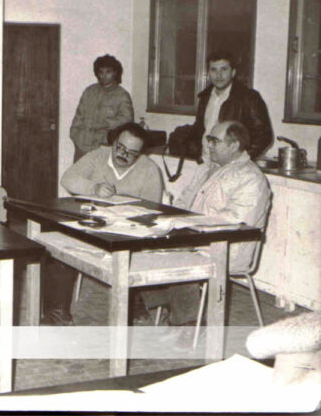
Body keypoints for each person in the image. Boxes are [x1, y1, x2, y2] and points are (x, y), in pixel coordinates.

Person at [141, 121, 272, 346]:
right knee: (143, 245)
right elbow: (184, 201)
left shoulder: (251, 178)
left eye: (215, 141)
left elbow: (233, 223)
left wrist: (186, 231)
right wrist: (167, 217)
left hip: (227, 246)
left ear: (234, 146)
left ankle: (187, 325)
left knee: (175, 256)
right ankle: (176, 307)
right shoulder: (208, 168)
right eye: (209, 139)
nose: (208, 145)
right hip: (196, 236)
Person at [43, 122, 163, 325]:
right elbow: (68, 178)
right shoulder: (97, 156)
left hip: (125, 231)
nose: (123, 154)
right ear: (114, 142)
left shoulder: (149, 169)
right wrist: (94, 187)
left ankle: (135, 301)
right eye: (120, 147)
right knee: (59, 247)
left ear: (141, 153)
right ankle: (57, 311)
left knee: (141, 251)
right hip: (92, 225)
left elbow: (152, 210)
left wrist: (125, 218)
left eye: (131, 153)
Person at [188, 51, 273, 160]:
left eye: (224, 69)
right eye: (214, 70)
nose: (218, 75)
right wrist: (197, 154)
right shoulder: (205, 97)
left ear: (233, 72)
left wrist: (239, 160)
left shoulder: (249, 97)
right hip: (206, 162)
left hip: (232, 167)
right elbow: (199, 129)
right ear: (208, 73)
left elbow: (264, 136)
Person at [69, 54, 133, 162]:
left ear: (115, 73)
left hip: (103, 148)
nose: (104, 76)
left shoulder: (122, 95)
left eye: (108, 72)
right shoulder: (89, 92)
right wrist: (76, 137)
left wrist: (105, 123)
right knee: (78, 177)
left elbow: (127, 118)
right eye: (101, 72)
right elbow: (78, 118)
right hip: (82, 147)